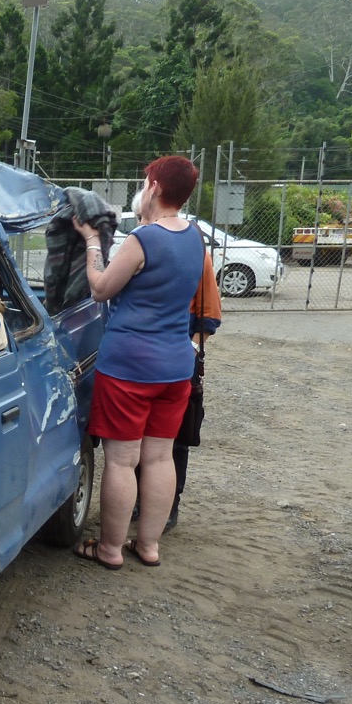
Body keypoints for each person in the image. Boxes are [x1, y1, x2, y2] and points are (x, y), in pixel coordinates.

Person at [71, 156, 204, 570]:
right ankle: (148, 546)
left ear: (155, 188)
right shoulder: (196, 237)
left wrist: (92, 242)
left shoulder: (143, 239)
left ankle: (109, 549)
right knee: (160, 458)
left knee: (123, 460)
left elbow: (100, 289)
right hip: (176, 367)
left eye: (144, 181)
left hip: (129, 367)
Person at [127, 188, 223, 532]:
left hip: (172, 361)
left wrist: (188, 349)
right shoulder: (137, 249)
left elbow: (208, 317)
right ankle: (140, 502)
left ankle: (166, 506)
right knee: (138, 439)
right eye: (137, 219)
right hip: (144, 362)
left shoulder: (195, 254)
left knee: (172, 440)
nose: (140, 224)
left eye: (142, 217)